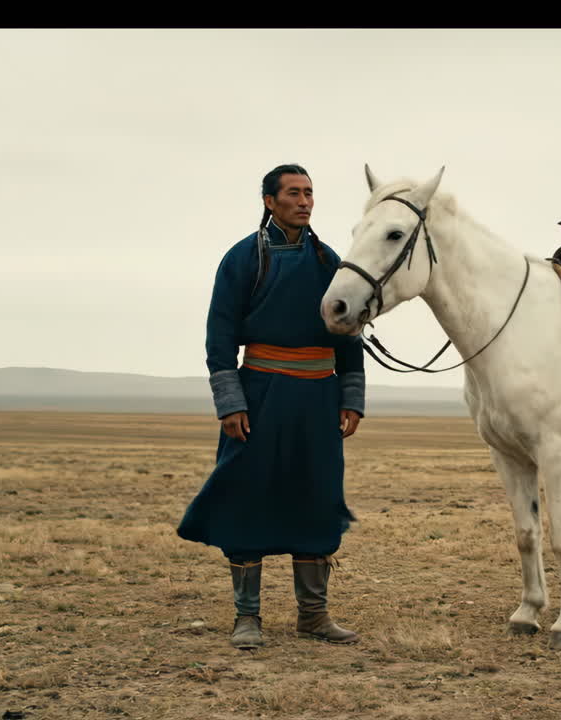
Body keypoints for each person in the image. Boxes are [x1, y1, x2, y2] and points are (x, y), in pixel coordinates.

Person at [176, 164, 366, 650]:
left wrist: (351, 397)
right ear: (269, 200)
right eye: (293, 193)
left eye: (309, 193)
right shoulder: (242, 259)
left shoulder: (330, 262)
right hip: (259, 394)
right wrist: (230, 404)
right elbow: (219, 339)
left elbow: (348, 332)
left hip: (318, 398)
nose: (304, 201)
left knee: (317, 497)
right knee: (247, 497)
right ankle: (247, 617)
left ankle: (314, 615)